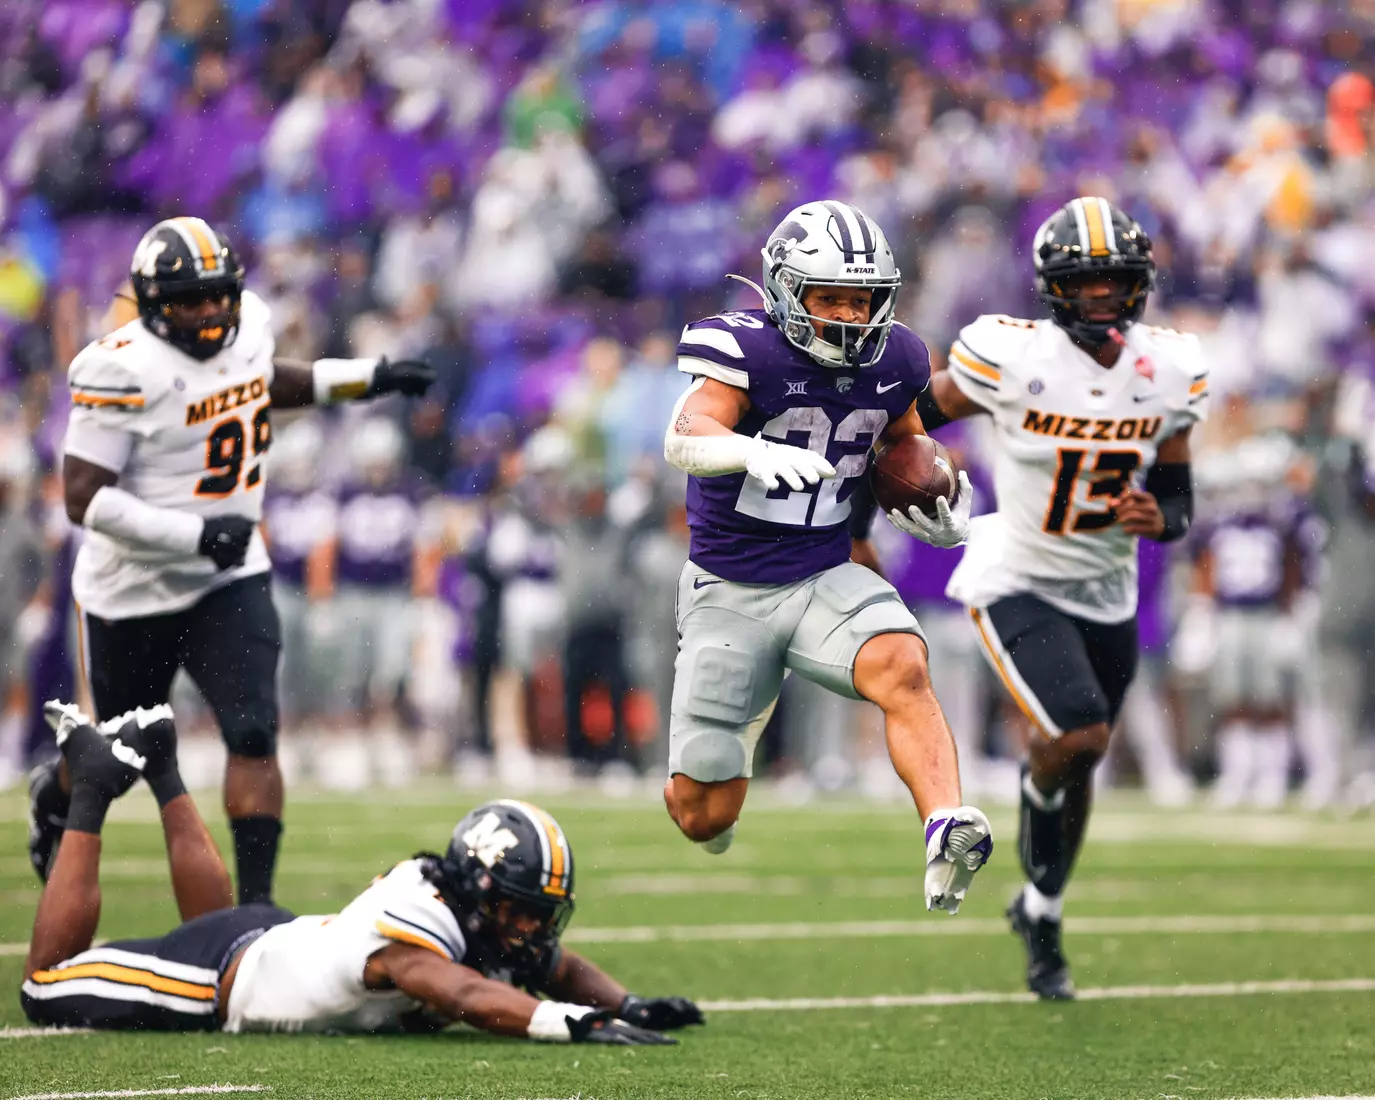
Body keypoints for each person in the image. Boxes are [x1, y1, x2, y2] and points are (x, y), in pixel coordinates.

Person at [29, 217, 436, 905]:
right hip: (133, 588)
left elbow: (263, 381)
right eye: (193, 300)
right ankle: (55, 791)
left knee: (253, 731)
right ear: (154, 304)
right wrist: (190, 535)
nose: (213, 310)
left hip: (229, 575)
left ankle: (254, 910)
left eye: (221, 293)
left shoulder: (250, 327)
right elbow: (82, 497)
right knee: (119, 759)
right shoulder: (120, 367)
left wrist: (368, 378)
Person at [888, 197, 1206, 997]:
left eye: (1113, 280)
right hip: (1018, 573)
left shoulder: (1169, 370)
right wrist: (883, 474)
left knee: (1082, 756)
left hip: (1107, 586)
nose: (1100, 295)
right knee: (1079, 732)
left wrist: (1159, 515)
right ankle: (1035, 786)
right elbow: (914, 417)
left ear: (1138, 284)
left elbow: (1176, 495)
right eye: (1085, 281)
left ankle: (1040, 909)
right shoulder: (1011, 357)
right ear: (1052, 286)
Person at [660, 200, 992, 915]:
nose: (847, 315)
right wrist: (747, 450)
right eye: (829, 297)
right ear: (785, 292)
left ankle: (945, 824)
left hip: (822, 573)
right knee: (702, 814)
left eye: (860, 300)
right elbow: (683, 434)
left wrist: (927, 501)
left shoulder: (897, 357)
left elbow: (901, 446)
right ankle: (723, 765)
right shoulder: (745, 348)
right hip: (729, 590)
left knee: (903, 664)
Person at [22, 699, 700, 1046]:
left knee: (206, 922)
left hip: (267, 939)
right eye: (519, 910)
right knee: (43, 987)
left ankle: (161, 761)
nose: (530, 929)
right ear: (477, 891)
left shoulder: (469, 911)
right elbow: (459, 990)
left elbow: (558, 965)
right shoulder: (423, 928)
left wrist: (625, 1003)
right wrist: (568, 1024)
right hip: (217, 978)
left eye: (539, 913)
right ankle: (93, 784)